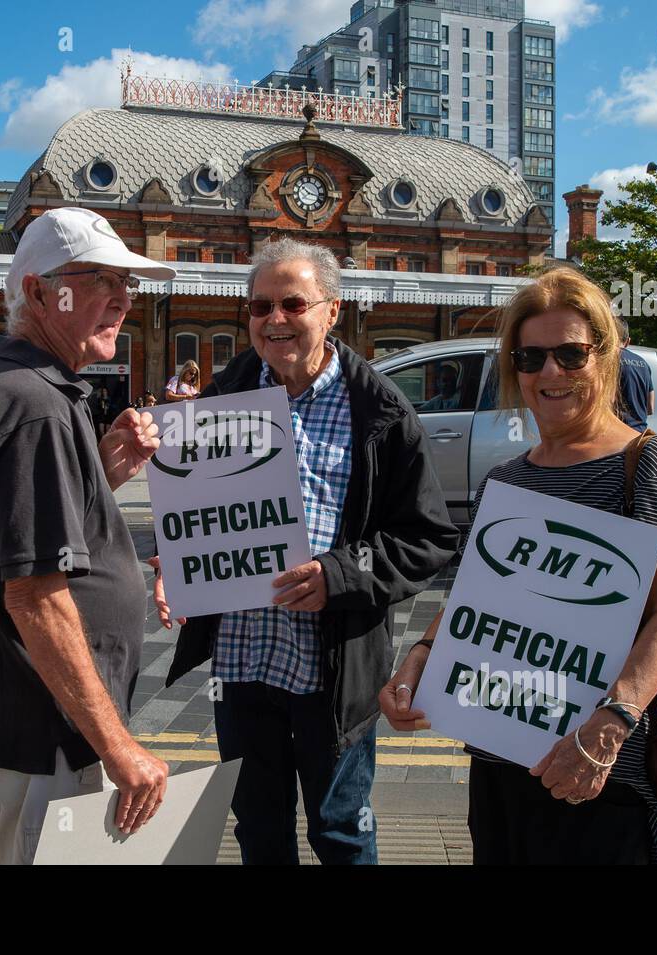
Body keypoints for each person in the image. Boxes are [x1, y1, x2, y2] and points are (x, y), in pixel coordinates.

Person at [379, 267, 657, 865]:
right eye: (530, 357)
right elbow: (473, 603)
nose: (550, 372)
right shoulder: (507, 479)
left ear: (605, 357)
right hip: (499, 763)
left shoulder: (651, 464)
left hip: (601, 775)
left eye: (570, 354)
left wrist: (610, 725)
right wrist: (422, 659)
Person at [152, 238, 459, 865]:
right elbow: (199, 517)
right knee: (259, 832)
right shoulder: (219, 399)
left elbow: (428, 538)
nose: (274, 320)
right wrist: (178, 564)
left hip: (331, 668)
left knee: (341, 833)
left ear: (332, 311)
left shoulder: (381, 410)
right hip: (241, 665)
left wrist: (341, 574)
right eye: (259, 307)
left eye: (292, 303)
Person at [0, 206, 177, 865]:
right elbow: (34, 595)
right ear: (37, 290)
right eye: (100, 280)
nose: (123, 298)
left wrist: (98, 473)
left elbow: (12, 532)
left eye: (130, 284)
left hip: (12, 723)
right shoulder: (33, 402)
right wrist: (118, 746)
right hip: (48, 736)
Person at [616, 316, 655, 431]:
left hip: (616, 435)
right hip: (640, 435)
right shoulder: (644, 363)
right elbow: (651, 408)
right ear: (628, 341)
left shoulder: (607, 361)